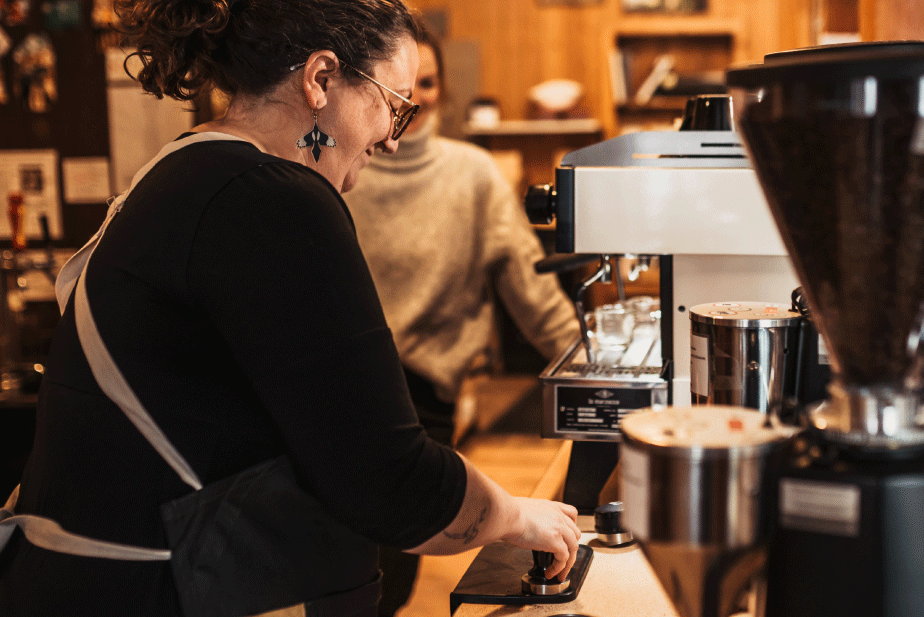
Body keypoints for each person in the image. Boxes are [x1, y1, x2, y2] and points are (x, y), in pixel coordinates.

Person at [0, 1, 580, 615]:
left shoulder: (182, 169)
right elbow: (388, 483)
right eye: (394, 104)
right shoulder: (275, 201)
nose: (391, 137)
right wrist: (516, 515)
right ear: (321, 80)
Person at [341, 26, 581, 617]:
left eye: (427, 85)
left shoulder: (472, 175)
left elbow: (532, 288)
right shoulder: (339, 168)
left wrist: (591, 364)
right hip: (343, 387)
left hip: (425, 398)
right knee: (342, 566)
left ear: (443, 91)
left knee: (390, 568)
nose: (412, 103)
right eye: (402, 88)